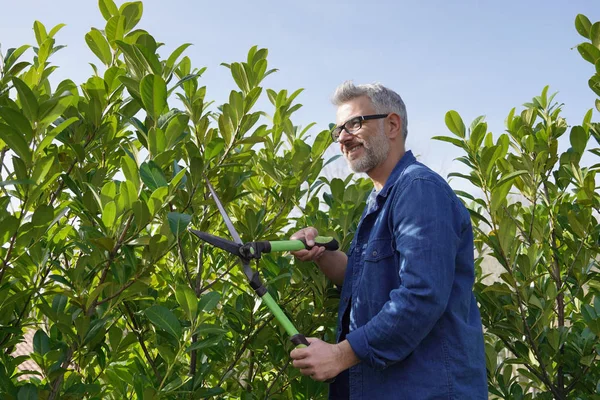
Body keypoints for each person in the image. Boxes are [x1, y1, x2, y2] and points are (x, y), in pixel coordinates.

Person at [289, 82, 488, 399]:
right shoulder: (381, 200)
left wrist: (340, 354)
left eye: (354, 123)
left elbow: (422, 294)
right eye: (338, 129)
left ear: (392, 124)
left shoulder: (419, 189)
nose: (342, 137)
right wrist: (321, 254)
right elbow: (362, 278)